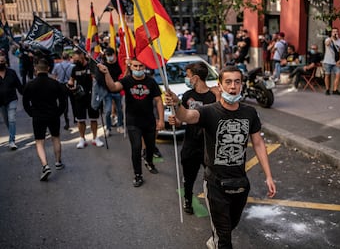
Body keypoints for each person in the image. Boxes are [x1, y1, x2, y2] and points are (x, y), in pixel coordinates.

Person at [165, 66, 276, 248]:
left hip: (240, 183)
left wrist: (269, 176)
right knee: (225, 240)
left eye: (237, 82)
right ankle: (218, 241)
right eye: (228, 82)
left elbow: (258, 143)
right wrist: (177, 104)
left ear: (241, 85)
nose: (233, 87)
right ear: (220, 86)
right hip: (215, 183)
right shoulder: (209, 111)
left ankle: (216, 238)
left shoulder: (249, 113)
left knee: (230, 225)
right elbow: (186, 115)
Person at [97, 58, 164, 187]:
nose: (138, 69)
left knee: (150, 147)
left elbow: (158, 101)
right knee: (136, 147)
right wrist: (106, 73)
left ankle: (149, 162)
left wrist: (161, 120)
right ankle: (138, 175)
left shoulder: (151, 82)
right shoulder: (127, 81)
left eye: (140, 66)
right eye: (135, 66)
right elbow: (113, 87)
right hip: (133, 122)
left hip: (149, 121)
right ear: (131, 67)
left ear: (144, 67)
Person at [168, 62, 220, 215]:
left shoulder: (214, 96)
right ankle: (188, 200)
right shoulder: (187, 96)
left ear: (195, 78)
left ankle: (217, 203)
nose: (186, 78)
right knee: (188, 178)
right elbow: (181, 118)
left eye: (188, 76)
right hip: (190, 145)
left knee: (213, 178)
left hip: (208, 146)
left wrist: (218, 94)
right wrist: (175, 121)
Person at [23, 59, 67, 181]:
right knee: (56, 137)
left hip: (38, 116)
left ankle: (45, 165)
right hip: (53, 114)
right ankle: (58, 162)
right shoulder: (55, 84)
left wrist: (31, 113)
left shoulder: (30, 85)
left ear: (36, 70)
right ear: (48, 69)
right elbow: (63, 101)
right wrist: (58, 112)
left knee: (39, 142)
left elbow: (25, 102)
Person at [67, 48, 104, 149]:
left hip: (92, 96)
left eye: (76, 58)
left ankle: (95, 138)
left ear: (82, 56)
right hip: (80, 97)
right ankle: (82, 139)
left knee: (93, 118)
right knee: (80, 119)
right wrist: (70, 86)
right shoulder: (74, 69)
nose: (75, 61)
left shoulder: (91, 66)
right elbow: (71, 81)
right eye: (74, 59)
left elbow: (98, 78)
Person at [0, 55, 23, 150]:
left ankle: (12, 141)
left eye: (2, 61)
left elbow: (19, 85)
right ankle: (12, 134)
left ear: (5, 62)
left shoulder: (11, 72)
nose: (1, 62)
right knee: (7, 121)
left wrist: (27, 95)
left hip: (12, 99)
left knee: (12, 119)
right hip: (1, 102)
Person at [101, 47, 124, 136]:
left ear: (114, 55)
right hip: (107, 92)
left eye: (111, 55)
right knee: (107, 111)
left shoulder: (119, 64)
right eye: (107, 55)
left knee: (119, 109)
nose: (109, 57)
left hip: (118, 90)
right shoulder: (104, 65)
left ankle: (120, 125)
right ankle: (108, 128)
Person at [52, 52, 75, 130]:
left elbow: (54, 77)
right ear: (68, 58)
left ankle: (67, 122)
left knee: (65, 105)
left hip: (61, 86)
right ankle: (75, 118)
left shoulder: (57, 66)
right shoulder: (72, 66)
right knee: (73, 102)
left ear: (62, 58)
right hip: (70, 85)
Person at [322, 27, 340, 95]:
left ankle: (335, 89)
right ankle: (327, 89)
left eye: (336, 31)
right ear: (331, 33)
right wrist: (331, 38)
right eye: (333, 31)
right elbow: (327, 44)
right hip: (328, 61)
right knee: (327, 75)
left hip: (336, 61)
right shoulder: (328, 39)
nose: (335, 33)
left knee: (338, 75)